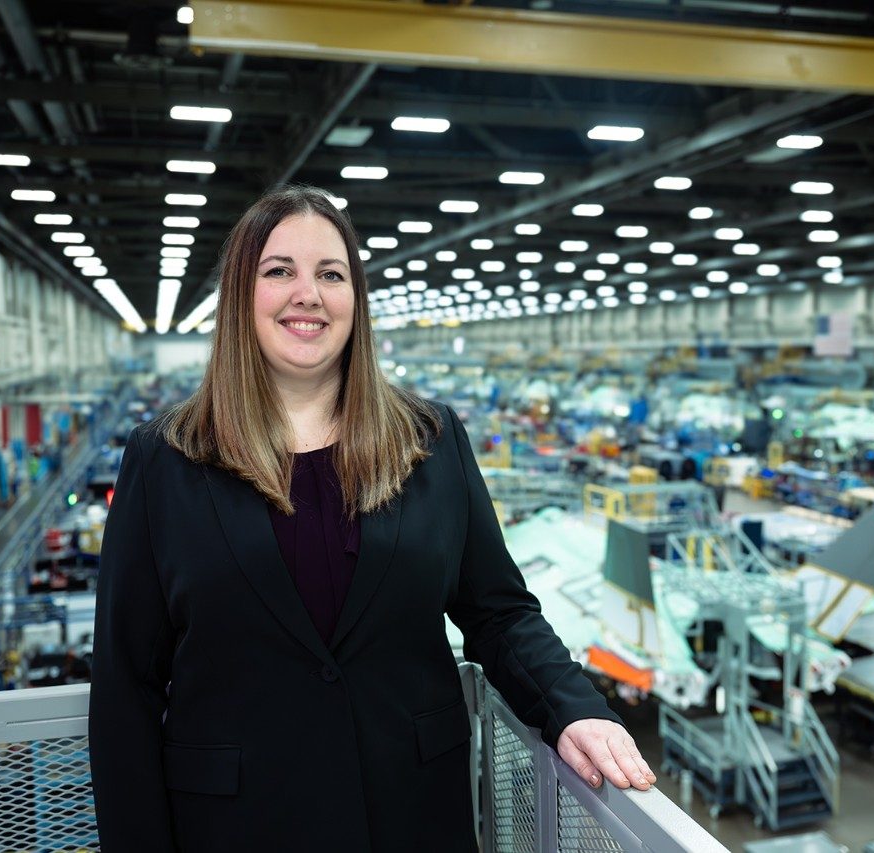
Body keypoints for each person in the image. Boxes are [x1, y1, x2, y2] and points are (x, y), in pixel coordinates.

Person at [89, 186, 655, 852]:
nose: (308, 293)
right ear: (242, 296)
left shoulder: (432, 440)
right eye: (280, 272)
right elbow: (126, 682)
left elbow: (498, 611)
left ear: (354, 300)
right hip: (237, 826)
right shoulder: (165, 458)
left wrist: (574, 708)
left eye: (331, 274)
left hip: (413, 815)